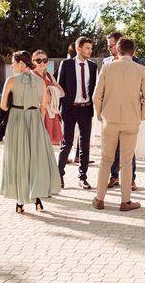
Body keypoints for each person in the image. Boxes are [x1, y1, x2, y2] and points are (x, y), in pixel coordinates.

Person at [92, 38, 145, 211]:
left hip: (109, 120)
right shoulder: (141, 69)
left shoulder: (107, 67)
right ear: (133, 52)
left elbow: (97, 95)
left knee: (105, 160)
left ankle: (100, 199)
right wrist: (140, 115)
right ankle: (125, 201)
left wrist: (100, 115)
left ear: (117, 51)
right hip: (131, 120)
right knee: (126, 162)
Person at [0, 51, 61, 213]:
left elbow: (4, 106)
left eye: (13, 62)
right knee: (36, 160)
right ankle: (37, 199)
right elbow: (43, 107)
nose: (12, 66)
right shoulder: (41, 82)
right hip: (35, 121)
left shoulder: (11, 81)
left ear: (21, 63)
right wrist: (38, 124)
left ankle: (20, 201)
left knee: (19, 159)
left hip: (16, 121)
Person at [57, 36, 97, 189]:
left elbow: (94, 89)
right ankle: (59, 175)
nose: (90, 51)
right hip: (69, 109)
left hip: (86, 108)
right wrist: (59, 110)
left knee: (85, 145)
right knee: (66, 144)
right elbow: (60, 87)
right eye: (87, 48)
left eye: (91, 48)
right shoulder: (66, 64)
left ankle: (83, 177)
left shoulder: (93, 67)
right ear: (78, 48)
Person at [103, 31, 142, 190]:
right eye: (108, 45)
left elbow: (143, 90)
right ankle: (114, 177)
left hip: (129, 113)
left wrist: (140, 113)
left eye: (111, 45)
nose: (109, 48)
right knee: (111, 148)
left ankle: (131, 179)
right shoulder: (106, 63)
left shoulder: (137, 62)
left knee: (128, 149)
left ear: (119, 44)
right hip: (111, 113)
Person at [33, 50, 65, 145]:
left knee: (48, 143)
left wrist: (50, 91)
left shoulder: (49, 75)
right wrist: (52, 90)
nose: (42, 63)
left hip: (50, 111)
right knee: (39, 142)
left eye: (44, 60)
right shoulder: (32, 75)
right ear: (32, 62)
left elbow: (62, 93)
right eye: (38, 60)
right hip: (40, 112)